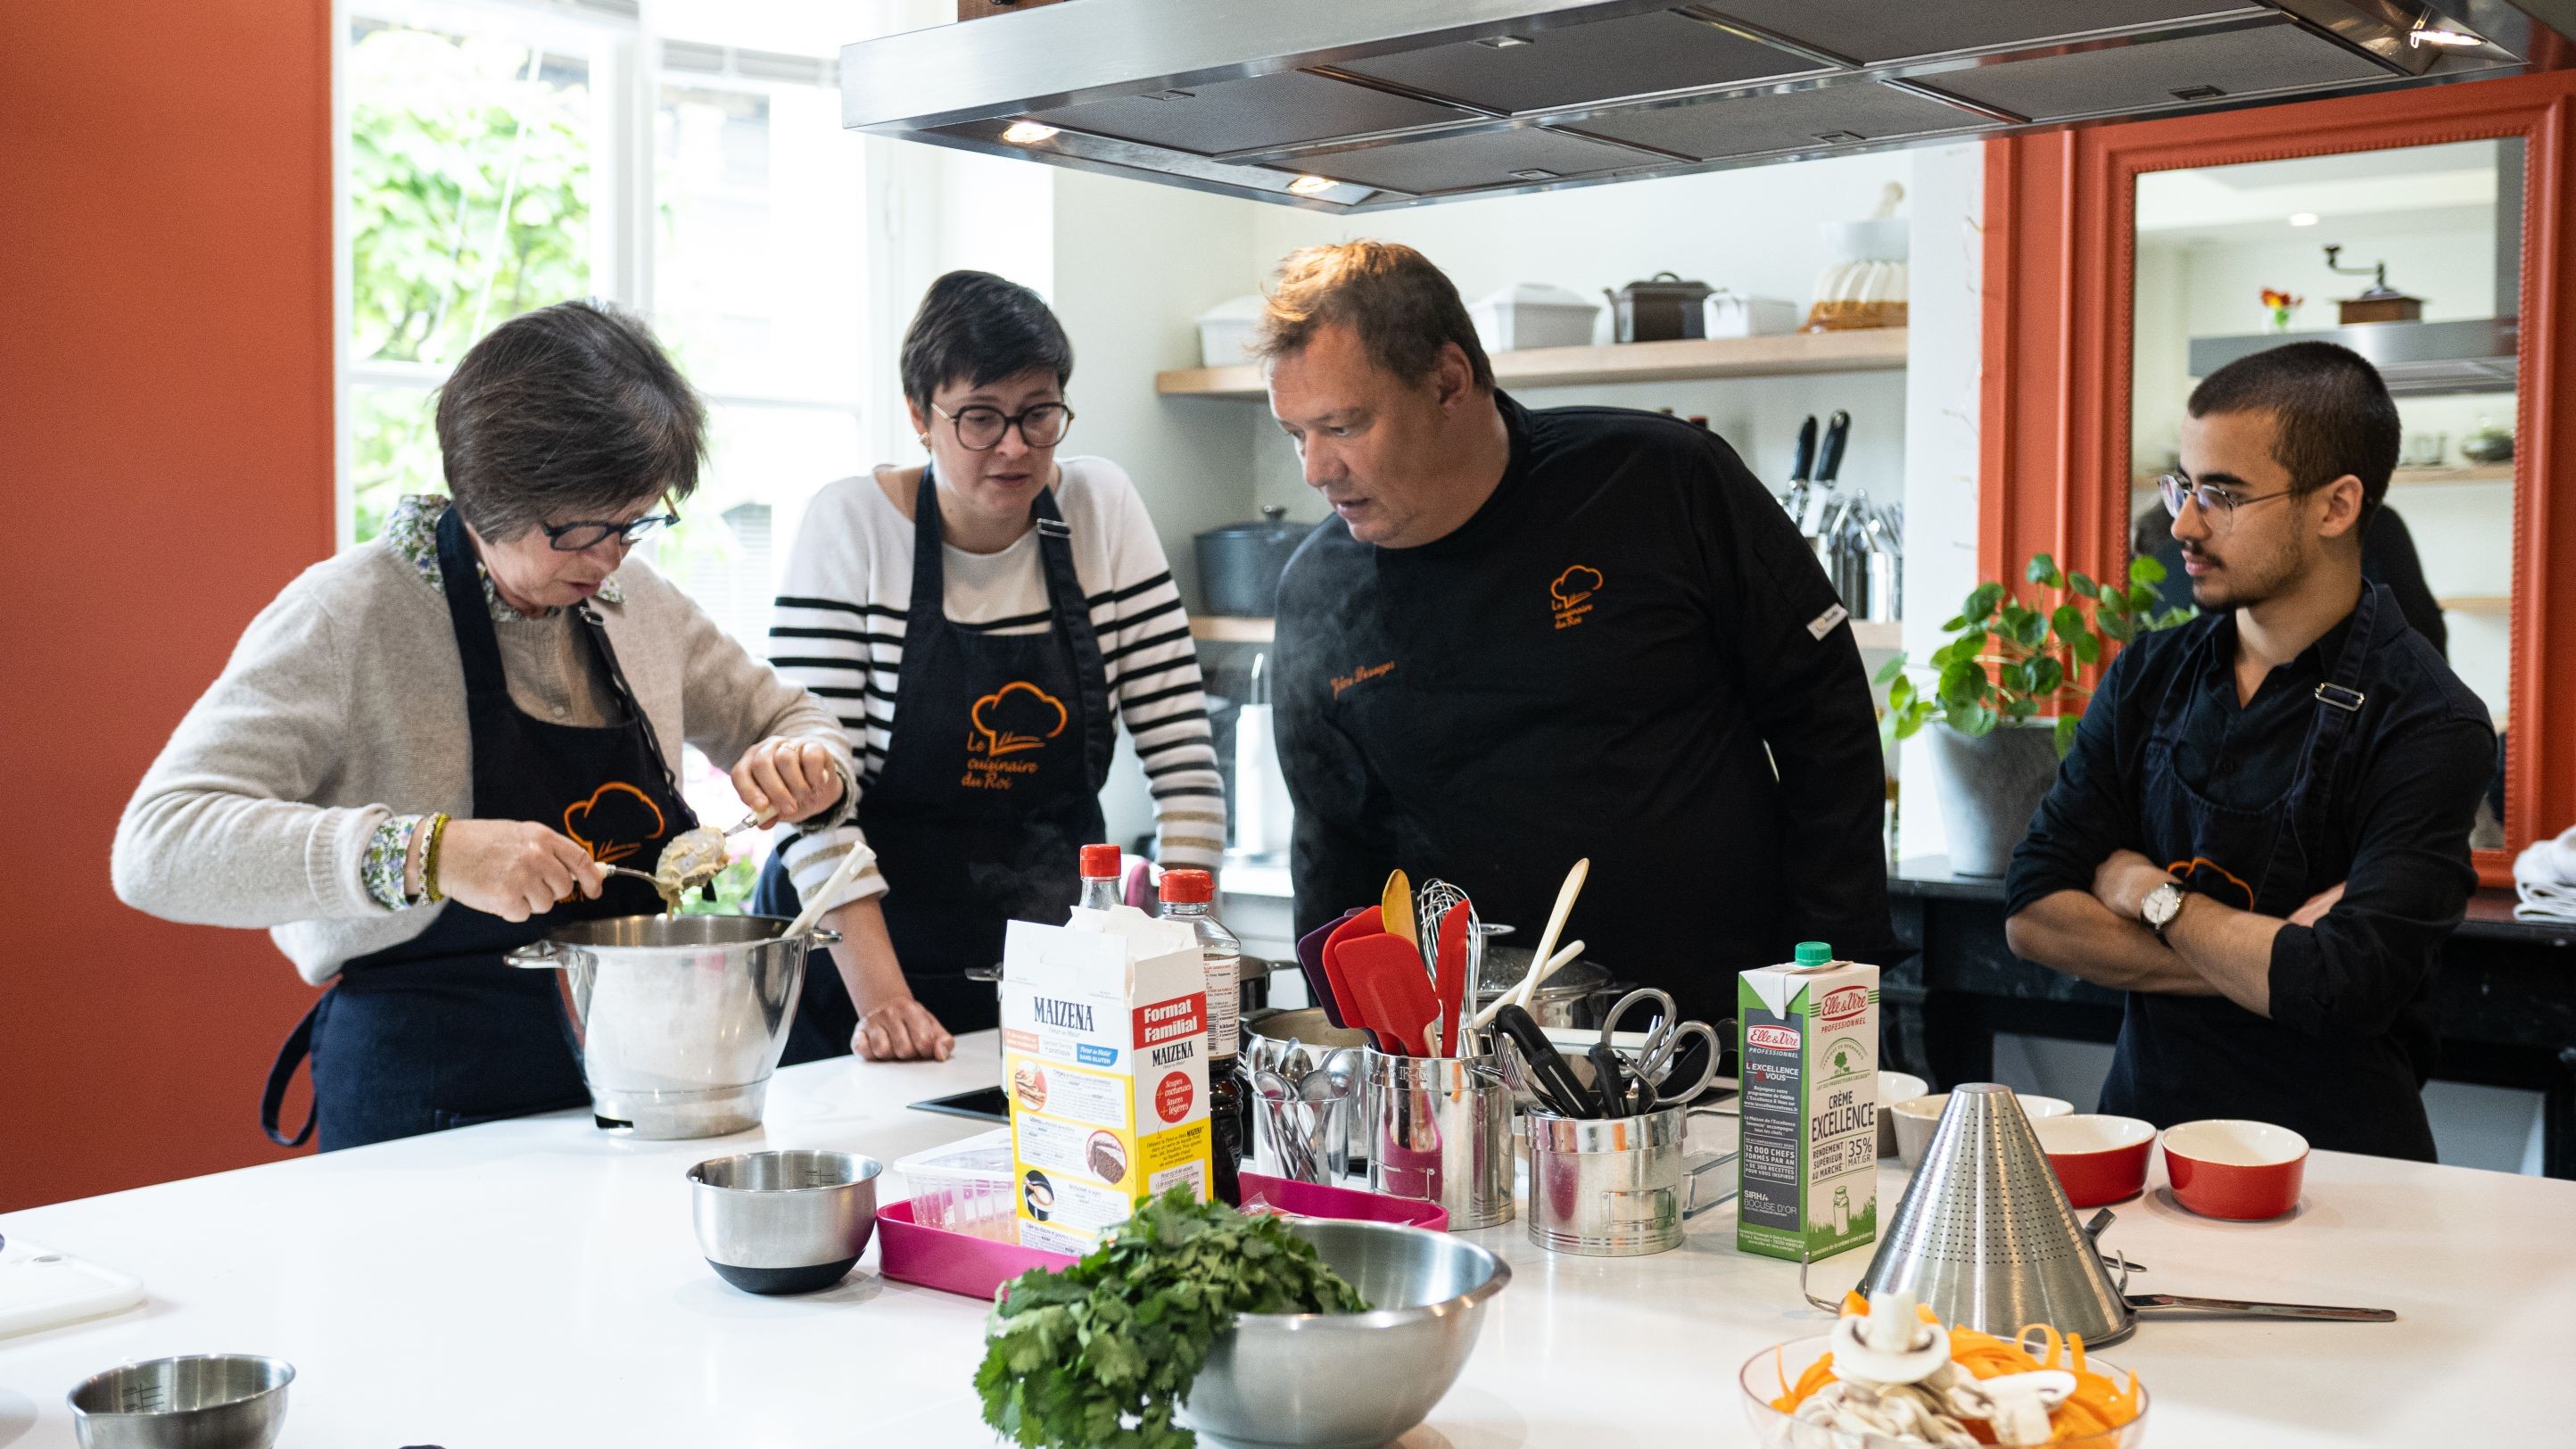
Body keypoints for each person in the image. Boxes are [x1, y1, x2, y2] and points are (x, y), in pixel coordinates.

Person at [112, 301, 856, 1152]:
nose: (612, 557)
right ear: (489, 495)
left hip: (647, 1074)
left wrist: (809, 762)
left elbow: (791, 717)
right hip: (430, 1091)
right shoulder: (348, 615)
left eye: (636, 522)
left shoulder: (633, 602)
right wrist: (429, 853)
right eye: (580, 529)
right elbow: (157, 847)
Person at [1259, 242, 1893, 1025]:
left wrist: (1827, 984)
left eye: (1343, 426)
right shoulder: (1319, 588)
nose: (1315, 470)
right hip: (1473, 1061)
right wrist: (1353, 1055)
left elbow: (1825, 725)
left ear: (1449, 382)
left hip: (1721, 1028)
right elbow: (1333, 856)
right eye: (1295, 435)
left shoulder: (1661, 481)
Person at [2004, 342, 2496, 1160]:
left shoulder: (2431, 722)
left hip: (2340, 1177)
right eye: (2185, 487)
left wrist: (2147, 893)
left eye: (2223, 496)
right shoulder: (2149, 675)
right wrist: (2274, 962)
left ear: (2336, 506)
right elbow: (2032, 912)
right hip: (2145, 1150)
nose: (2183, 525)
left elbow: (2346, 988)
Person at [758, 271, 1226, 1063]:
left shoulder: (1100, 509)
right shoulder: (852, 527)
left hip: (1053, 969)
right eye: (980, 418)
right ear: (919, 416)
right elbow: (814, 809)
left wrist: (1189, 964)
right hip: (858, 966)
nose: (1014, 447)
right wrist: (888, 1004)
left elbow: (1182, 758)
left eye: (1038, 415)